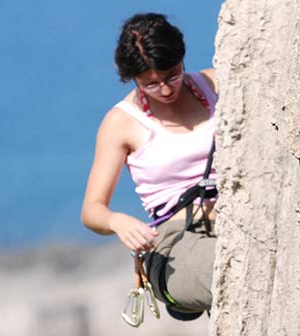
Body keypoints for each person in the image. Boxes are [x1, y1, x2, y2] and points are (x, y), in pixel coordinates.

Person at [80, 13, 219, 321]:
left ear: (182, 59)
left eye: (172, 75)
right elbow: (91, 210)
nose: (165, 90)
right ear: (133, 79)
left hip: (235, 216)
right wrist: (118, 222)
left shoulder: (216, 84)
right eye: (150, 84)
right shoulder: (121, 123)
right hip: (177, 238)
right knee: (230, 269)